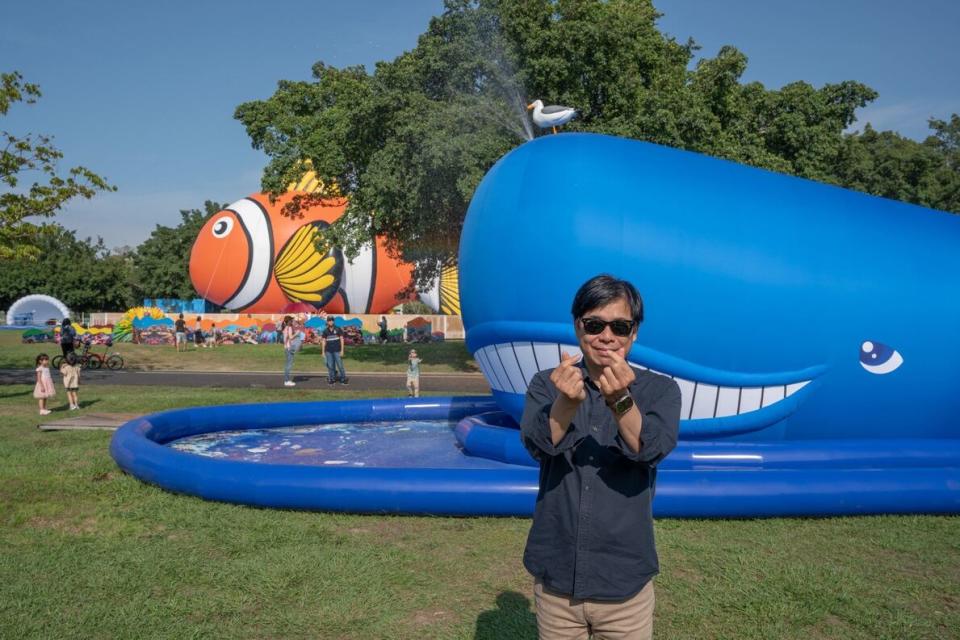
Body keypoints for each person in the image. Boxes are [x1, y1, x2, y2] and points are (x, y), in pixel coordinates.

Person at [520, 274, 681, 640]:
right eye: (595, 324)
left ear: (634, 332)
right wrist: (566, 403)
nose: (606, 336)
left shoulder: (659, 390)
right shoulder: (547, 384)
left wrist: (620, 398)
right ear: (578, 327)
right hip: (557, 581)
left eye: (619, 326)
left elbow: (651, 449)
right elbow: (537, 444)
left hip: (625, 584)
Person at [321, 316, 348, 385]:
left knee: (340, 365)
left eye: (332, 320)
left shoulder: (338, 329)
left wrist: (342, 350)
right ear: (327, 322)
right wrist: (323, 352)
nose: (330, 322)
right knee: (330, 366)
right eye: (329, 321)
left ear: (333, 321)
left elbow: (342, 340)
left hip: (337, 351)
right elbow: (323, 341)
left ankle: (343, 378)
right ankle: (332, 379)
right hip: (328, 351)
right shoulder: (325, 331)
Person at [281, 315, 303, 387]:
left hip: (286, 348)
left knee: (287, 364)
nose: (292, 321)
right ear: (289, 321)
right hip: (289, 348)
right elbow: (290, 337)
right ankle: (287, 381)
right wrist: (296, 333)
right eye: (291, 320)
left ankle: (286, 380)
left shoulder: (285, 328)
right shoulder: (289, 328)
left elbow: (286, 338)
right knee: (289, 365)